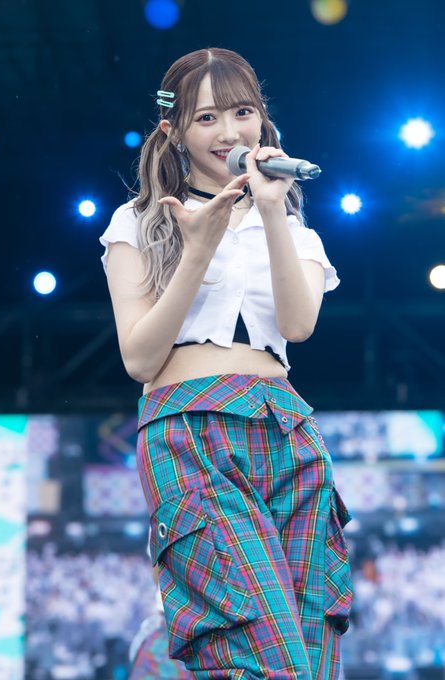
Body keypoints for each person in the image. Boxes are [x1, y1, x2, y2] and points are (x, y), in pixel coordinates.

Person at [100, 47, 353, 680]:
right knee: (262, 658)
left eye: (243, 112)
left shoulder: (297, 230)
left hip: (288, 431)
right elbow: (140, 357)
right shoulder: (138, 222)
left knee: (314, 657)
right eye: (206, 117)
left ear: (262, 121)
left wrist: (270, 209)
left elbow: (298, 326)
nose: (230, 132)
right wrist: (197, 248)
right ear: (174, 131)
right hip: (191, 430)